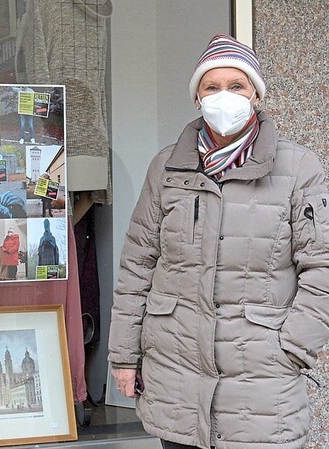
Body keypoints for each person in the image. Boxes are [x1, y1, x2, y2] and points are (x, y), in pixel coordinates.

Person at [108, 34, 329, 449]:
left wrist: (294, 347)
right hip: (177, 376)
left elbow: (323, 266)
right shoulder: (167, 167)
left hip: (261, 384)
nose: (223, 97)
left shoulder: (298, 168)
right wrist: (123, 356)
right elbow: (138, 264)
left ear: (256, 96)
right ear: (197, 98)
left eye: (237, 86)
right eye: (211, 87)